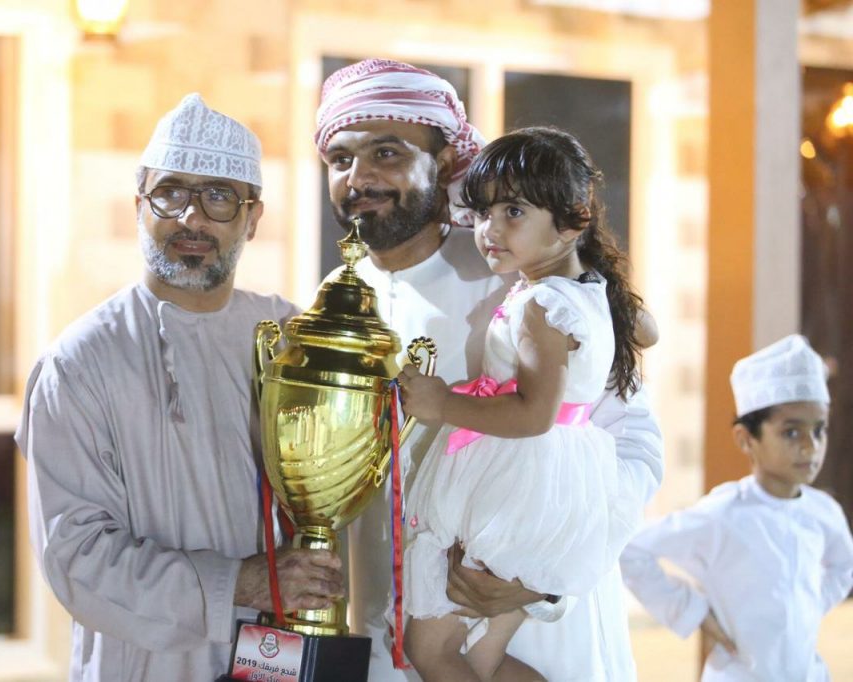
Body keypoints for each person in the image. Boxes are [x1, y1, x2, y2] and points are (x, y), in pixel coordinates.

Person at [315, 58, 664, 681]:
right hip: (390, 629)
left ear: (446, 161)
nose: (360, 177)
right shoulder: (332, 298)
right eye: (341, 159)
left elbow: (634, 445)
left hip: (532, 621)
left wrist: (542, 583)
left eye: (387, 153)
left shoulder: (524, 277)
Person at [16, 93, 345, 681]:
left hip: (279, 654)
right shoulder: (81, 363)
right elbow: (77, 558)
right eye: (170, 193)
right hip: (144, 665)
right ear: (138, 205)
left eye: (219, 196)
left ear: (253, 217)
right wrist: (239, 583)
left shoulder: (292, 340)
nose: (192, 219)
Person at [396, 127, 647, 681]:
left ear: (573, 220)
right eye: (483, 214)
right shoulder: (591, 292)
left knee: (429, 649)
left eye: (513, 212)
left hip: (517, 489)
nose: (490, 230)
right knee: (482, 660)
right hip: (552, 488)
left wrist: (442, 404)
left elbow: (534, 414)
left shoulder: (542, 305)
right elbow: (645, 330)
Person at [620, 335, 853, 682]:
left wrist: (806, 605)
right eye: (791, 433)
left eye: (819, 430)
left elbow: (843, 567)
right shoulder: (723, 514)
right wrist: (692, 612)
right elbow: (632, 549)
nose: (810, 446)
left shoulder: (824, 512)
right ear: (746, 439)